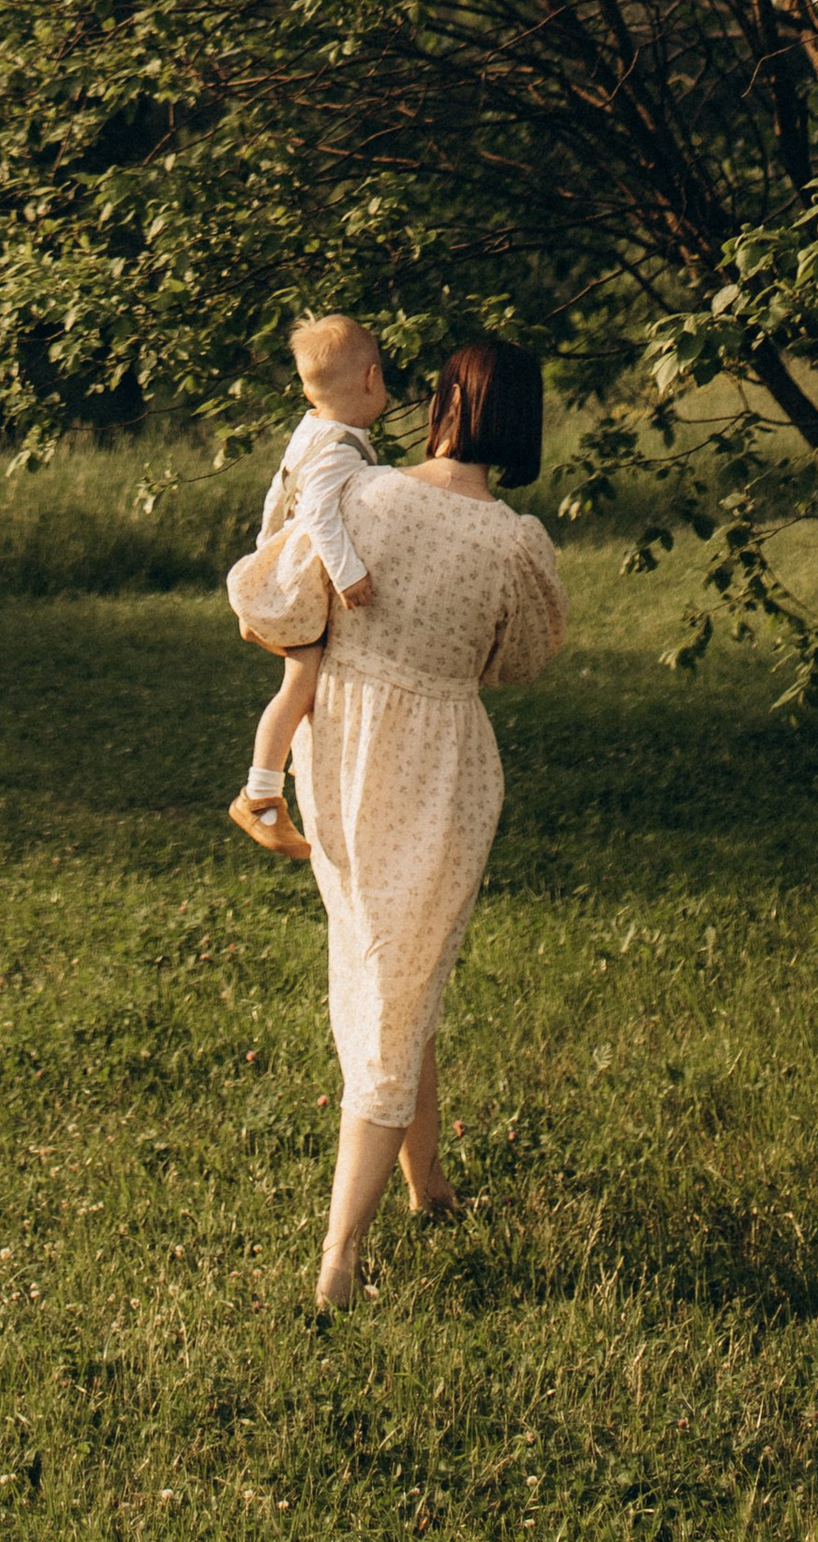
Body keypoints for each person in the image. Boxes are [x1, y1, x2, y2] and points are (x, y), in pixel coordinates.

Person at [290, 335, 565, 1311]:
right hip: (435, 762)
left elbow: (296, 603)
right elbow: (522, 661)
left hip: (335, 751)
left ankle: (427, 1187)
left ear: (440, 401)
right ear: (519, 422)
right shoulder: (513, 543)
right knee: (393, 994)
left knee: (392, 965)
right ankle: (337, 1259)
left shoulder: (356, 495)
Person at [226, 315, 388, 858]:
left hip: (284, 571)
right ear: (371, 380)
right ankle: (260, 797)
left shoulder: (311, 429)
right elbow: (318, 512)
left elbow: (279, 495)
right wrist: (349, 572)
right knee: (300, 682)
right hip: (303, 580)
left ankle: (296, 775)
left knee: (309, 683)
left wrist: (263, 553)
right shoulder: (341, 448)